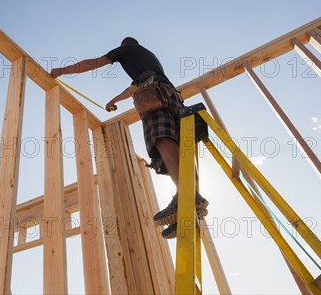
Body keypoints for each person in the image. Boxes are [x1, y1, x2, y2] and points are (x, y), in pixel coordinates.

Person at [51, 37, 208, 239]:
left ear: (125, 46)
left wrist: (62, 71)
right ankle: (188, 201)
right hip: (170, 96)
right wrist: (113, 101)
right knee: (175, 147)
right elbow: (131, 89)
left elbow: (93, 63)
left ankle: (188, 197)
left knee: (161, 139)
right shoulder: (147, 59)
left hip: (153, 96)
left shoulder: (127, 50)